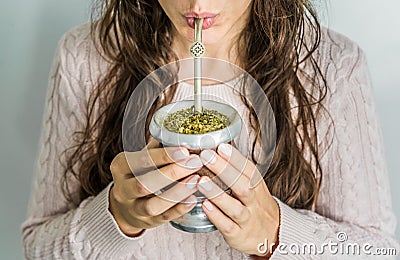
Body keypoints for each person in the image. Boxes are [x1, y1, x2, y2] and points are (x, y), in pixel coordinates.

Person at [22, 0, 399, 259]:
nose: (197, 5)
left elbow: (380, 250)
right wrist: (117, 218)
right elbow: (37, 247)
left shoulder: (334, 69)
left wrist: (275, 234)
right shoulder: (85, 58)